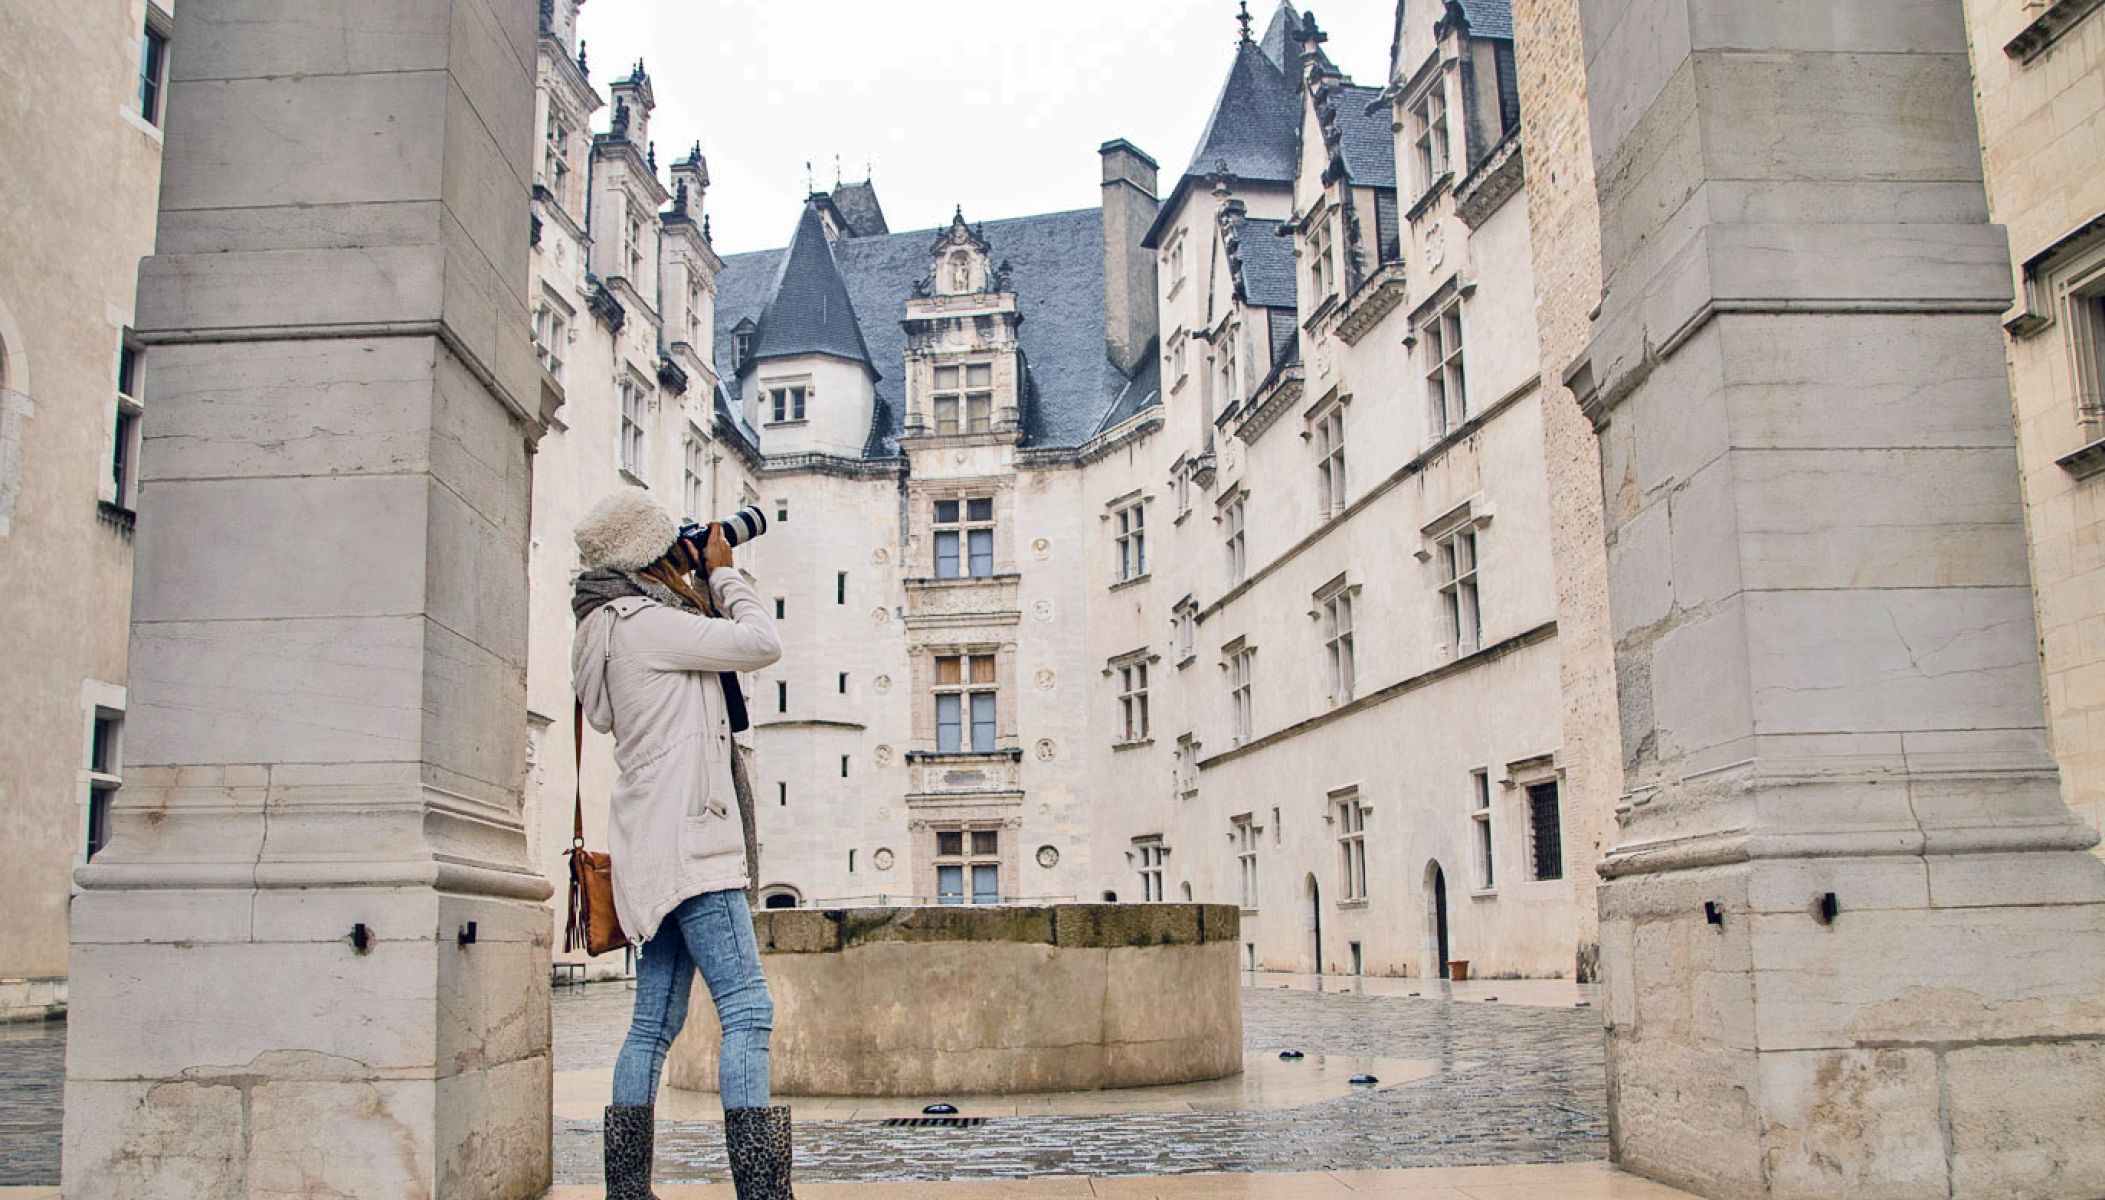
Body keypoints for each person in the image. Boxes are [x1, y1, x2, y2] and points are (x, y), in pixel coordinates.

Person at [570, 487, 791, 1200]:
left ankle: (626, 1192)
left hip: (645, 846)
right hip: (694, 845)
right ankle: (763, 1192)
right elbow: (760, 643)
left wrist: (693, 580)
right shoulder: (645, 625)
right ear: (651, 556)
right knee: (748, 1011)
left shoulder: (603, 628)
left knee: (652, 1023)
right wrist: (724, 573)